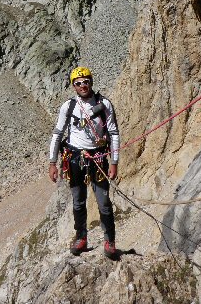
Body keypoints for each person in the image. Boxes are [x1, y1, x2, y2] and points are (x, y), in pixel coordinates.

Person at [48, 66, 120, 259]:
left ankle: (110, 241)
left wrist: (114, 162)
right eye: (78, 83)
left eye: (86, 81)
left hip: (97, 158)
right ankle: (81, 238)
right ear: (73, 86)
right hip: (74, 158)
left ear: (91, 82)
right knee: (78, 201)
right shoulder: (68, 107)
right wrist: (52, 162)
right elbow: (57, 133)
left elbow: (113, 133)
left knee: (103, 202)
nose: (83, 86)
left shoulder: (104, 104)